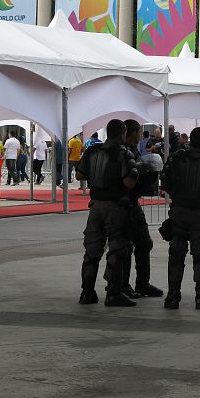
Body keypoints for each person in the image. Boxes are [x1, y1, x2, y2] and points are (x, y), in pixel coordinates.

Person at [76, 119, 140, 307]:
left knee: (92, 251)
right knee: (117, 249)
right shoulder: (123, 153)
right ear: (122, 134)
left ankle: (87, 293)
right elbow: (129, 182)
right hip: (115, 206)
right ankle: (113, 293)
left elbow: (80, 174)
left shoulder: (92, 150)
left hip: (95, 206)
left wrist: (97, 175)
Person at [160, 126, 200, 310]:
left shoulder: (176, 158)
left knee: (176, 253)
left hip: (179, 211)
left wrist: (179, 196)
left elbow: (165, 182)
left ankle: (172, 297)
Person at [120, 119, 163, 299]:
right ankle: (125, 285)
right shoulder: (125, 152)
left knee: (140, 244)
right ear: (133, 133)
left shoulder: (129, 150)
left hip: (127, 202)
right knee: (128, 246)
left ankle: (137, 284)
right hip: (125, 203)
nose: (140, 136)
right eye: (139, 132)